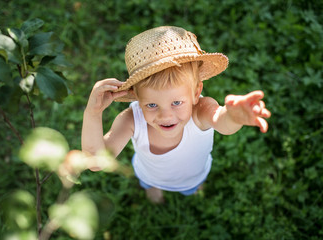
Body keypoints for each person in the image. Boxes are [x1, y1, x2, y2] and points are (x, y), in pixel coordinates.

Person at [81, 26, 271, 203]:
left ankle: (192, 189)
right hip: (148, 173)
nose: (165, 115)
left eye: (177, 103)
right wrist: (93, 114)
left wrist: (233, 117)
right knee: (149, 184)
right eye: (152, 104)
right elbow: (96, 162)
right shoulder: (131, 119)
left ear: (196, 93)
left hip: (192, 177)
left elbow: (222, 122)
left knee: (192, 188)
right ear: (137, 98)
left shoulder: (201, 110)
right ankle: (153, 188)